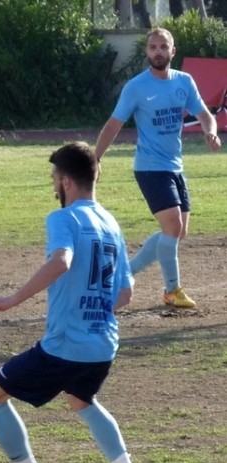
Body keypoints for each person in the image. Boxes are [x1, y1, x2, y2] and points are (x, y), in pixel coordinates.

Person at [0, 142, 147, 463]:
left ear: (66, 181)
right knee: (81, 400)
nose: (55, 186)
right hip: (103, 344)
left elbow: (61, 262)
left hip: (66, 346)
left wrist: (10, 300)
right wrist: (92, 310)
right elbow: (125, 293)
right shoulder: (111, 223)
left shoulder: (64, 219)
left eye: (55, 179)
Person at [95, 27, 221, 309]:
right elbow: (114, 124)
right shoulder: (136, 87)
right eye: (153, 47)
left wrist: (210, 132)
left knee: (178, 231)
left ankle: (124, 271)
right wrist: (96, 157)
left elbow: (205, 115)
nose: (158, 52)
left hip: (175, 166)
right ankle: (172, 290)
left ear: (172, 51)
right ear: (147, 52)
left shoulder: (184, 81)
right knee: (173, 226)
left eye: (163, 47)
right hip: (149, 167)